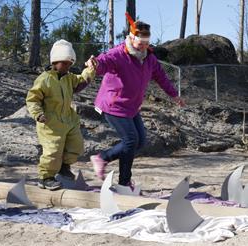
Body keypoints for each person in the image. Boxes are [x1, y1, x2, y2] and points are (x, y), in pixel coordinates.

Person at [86, 13, 185, 187]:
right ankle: (123, 181)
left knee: (139, 142)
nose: (143, 46)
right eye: (141, 43)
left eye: (147, 43)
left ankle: (104, 159)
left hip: (132, 106)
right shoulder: (118, 53)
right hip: (113, 104)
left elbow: (161, 77)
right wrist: (96, 64)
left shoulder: (149, 58)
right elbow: (104, 61)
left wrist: (174, 95)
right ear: (132, 38)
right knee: (130, 140)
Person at [26, 39, 96, 190]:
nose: (67, 67)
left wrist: (90, 69)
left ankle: (64, 166)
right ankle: (46, 177)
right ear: (55, 61)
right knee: (52, 151)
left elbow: (82, 81)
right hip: (50, 123)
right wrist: (38, 114)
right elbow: (32, 99)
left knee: (76, 145)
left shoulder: (69, 78)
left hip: (68, 120)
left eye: (69, 64)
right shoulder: (44, 80)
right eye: (64, 63)